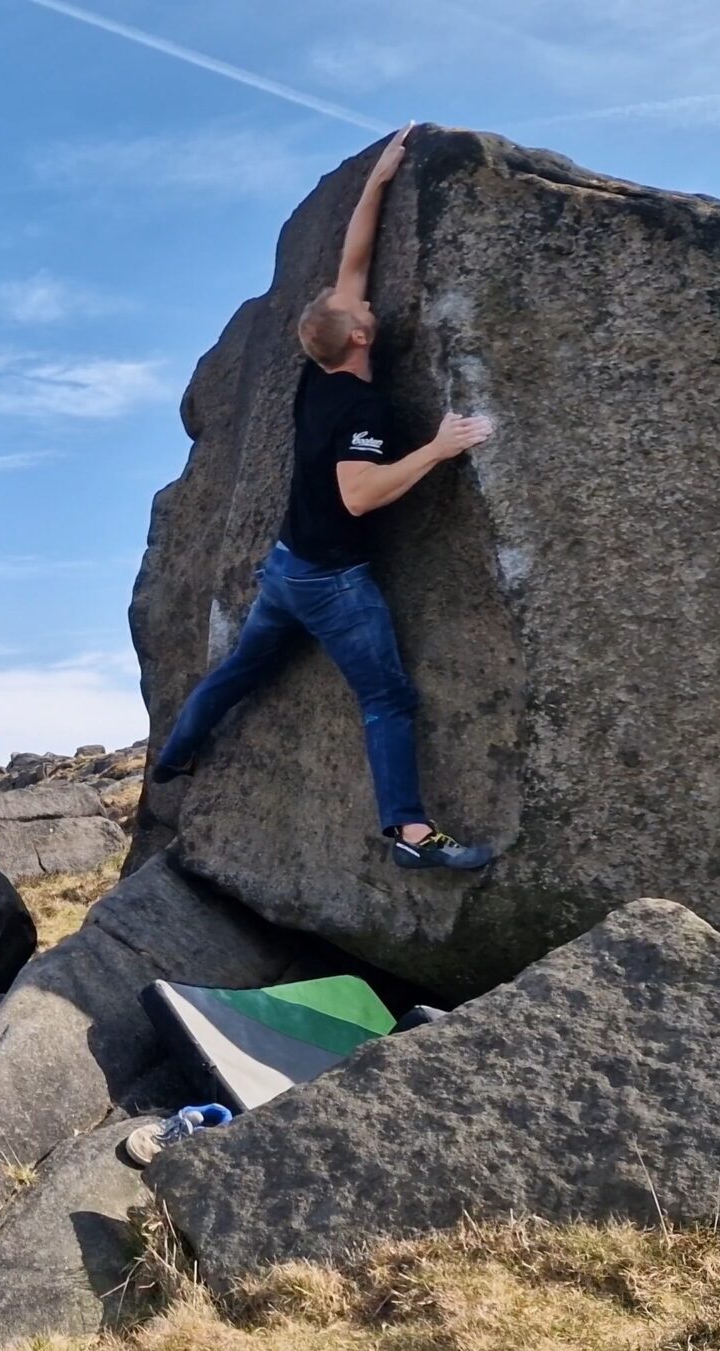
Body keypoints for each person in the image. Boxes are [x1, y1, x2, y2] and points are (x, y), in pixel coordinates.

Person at [150, 123, 498, 872]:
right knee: (388, 699)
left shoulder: (322, 364)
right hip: (332, 583)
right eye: (363, 312)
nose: (368, 304)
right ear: (362, 338)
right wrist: (437, 448)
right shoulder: (360, 411)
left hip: (283, 567)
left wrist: (379, 180)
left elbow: (353, 263)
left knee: (243, 671)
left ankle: (178, 749)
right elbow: (360, 494)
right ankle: (410, 837)